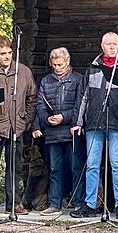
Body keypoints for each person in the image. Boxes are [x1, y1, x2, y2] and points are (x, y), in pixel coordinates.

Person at [71, 32, 118, 219]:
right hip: (94, 121)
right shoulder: (94, 67)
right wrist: (78, 122)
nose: (111, 47)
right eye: (108, 44)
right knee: (92, 164)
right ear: (102, 46)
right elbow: (83, 96)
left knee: (117, 164)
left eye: (114, 44)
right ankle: (90, 203)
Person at [0, 36, 37, 216]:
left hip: (16, 125)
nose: (7, 57)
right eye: (3, 53)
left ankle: (13, 202)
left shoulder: (23, 71)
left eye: (9, 53)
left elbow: (32, 97)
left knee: (15, 167)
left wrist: (26, 120)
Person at [34, 47, 86, 216]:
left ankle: (78, 202)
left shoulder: (78, 79)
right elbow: (40, 104)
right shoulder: (46, 81)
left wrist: (64, 117)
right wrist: (46, 119)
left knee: (75, 167)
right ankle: (55, 203)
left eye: (60, 65)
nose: (57, 68)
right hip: (52, 132)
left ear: (68, 62)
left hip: (71, 130)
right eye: (54, 65)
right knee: (55, 168)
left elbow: (80, 107)